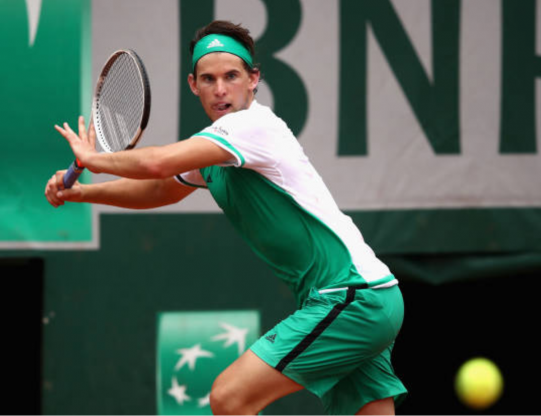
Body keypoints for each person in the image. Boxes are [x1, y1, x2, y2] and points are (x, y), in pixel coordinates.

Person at [45, 20, 407, 416]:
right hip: (369, 299)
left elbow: (157, 163)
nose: (220, 89)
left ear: (254, 80)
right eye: (209, 78)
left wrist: (94, 160)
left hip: (350, 297)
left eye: (231, 76)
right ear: (193, 85)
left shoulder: (251, 126)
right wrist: (83, 192)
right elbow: (159, 188)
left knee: (229, 396)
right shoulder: (216, 150)